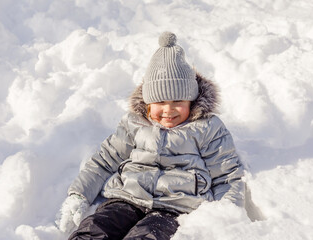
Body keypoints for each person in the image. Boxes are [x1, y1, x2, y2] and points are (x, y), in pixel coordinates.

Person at [56, 31, 245, 240]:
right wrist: (79, 194)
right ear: (148, 102)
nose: (168, 110)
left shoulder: (207, 128)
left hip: (174, 208)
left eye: (178, 102)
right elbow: (104, 161)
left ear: (191, 101)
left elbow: (227, 175)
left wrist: (226, 214)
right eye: (160, 102)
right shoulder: (134, 123)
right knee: (95, 229)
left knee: (147, 236)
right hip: (126, 198)